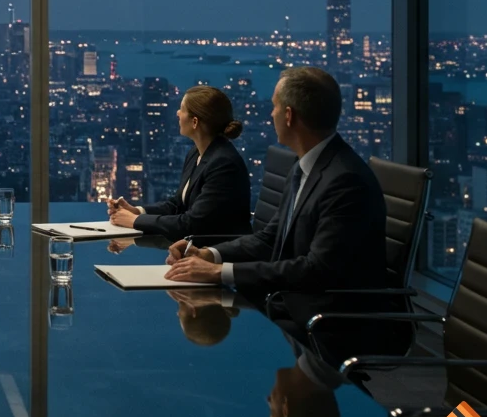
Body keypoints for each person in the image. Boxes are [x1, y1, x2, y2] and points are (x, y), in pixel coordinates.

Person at [163, 68, 387, 323]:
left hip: (329, 321)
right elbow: (270, 239)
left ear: (289, 115)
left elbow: (316, 270)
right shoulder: (306, 167)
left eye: (274, 107)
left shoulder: (345, 181)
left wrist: (219, 272)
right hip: (289, 303)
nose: (271, 114)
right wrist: (210, 255)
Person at [107, 85, 251, 237]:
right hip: (194, 248)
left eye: (182, 109)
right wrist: (137, 211)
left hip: (221, 252)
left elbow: (192, 224)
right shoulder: (196, 153)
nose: (177, 113)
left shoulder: (223, 164)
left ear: (195, 122)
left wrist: (135, 221)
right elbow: (178, 204)